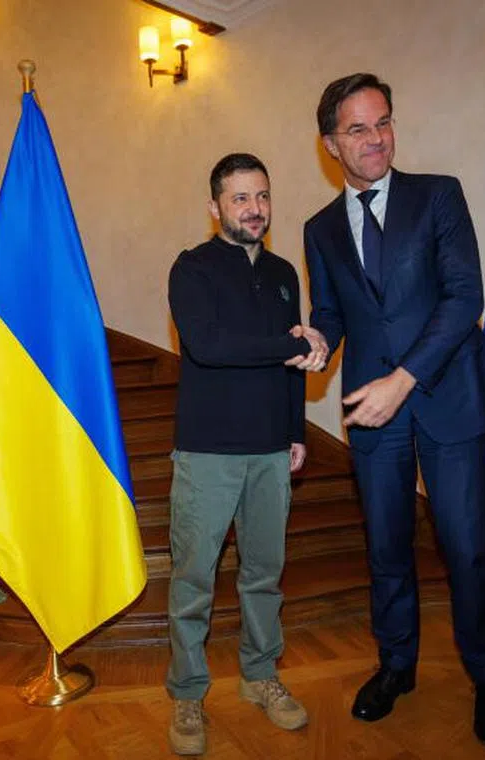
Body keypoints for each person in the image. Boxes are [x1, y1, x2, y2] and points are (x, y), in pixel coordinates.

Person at [303, 73, 485, 747]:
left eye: (383, 122)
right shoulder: (319, 229)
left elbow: (462, 298)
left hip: (446, 396)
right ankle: (397, 667)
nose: (376, 138)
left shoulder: (438, 196)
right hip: (374, 411)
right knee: (386, 548)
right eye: (358, 129)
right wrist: (317, 341)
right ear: (332, 142)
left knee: (468, 549)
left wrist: (403, 377)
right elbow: (334, 312)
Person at [165, 152, 327, 756]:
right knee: (193, 581)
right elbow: (208, 346)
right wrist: (287, 346)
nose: (254, 208)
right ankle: (186, 694)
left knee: (263, 576)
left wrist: (297, 432)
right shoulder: (192, 269)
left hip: (268, 452)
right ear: (215, 208)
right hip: (207, 452)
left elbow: (289, 371)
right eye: (240, 198)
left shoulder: (285, 271)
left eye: (261, 195)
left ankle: (261, 678)